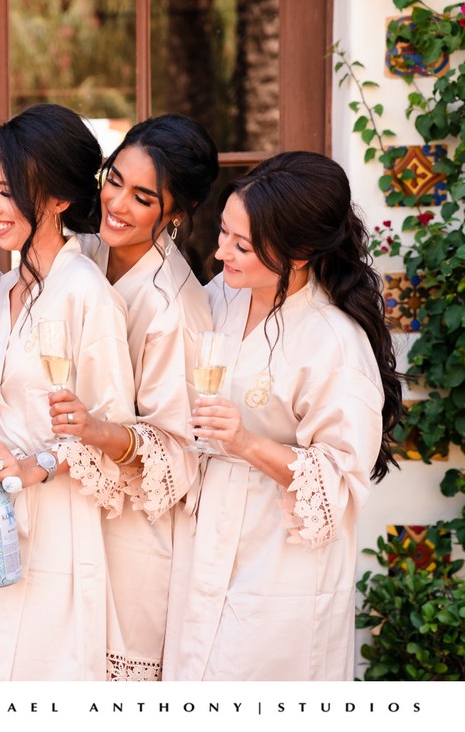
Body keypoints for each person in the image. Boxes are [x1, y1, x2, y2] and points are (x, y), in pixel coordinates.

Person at [163, 151, 403, 681]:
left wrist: (246, 443)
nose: (221, 251)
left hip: (279, 559)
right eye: (223, 232)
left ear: (296, 253)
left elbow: (341, 479)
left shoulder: (333, 340)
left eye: (241, 245)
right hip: (204, 539)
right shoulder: (222, 296)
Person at [0, 103, 136, 681]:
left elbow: (112, 430)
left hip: (57, 528)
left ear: (57, 199)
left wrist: (36, 464)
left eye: (9, 191)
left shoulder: (88, 295)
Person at [61, 114, 218, 680]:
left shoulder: (176, 309)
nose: (117, 203)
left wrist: (96, 431)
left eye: (143, 197)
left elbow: (177, 457)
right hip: (66, 512)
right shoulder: (81, 254)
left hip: (134, 538)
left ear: (173, 213)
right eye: (114, 179)